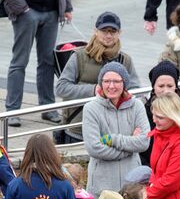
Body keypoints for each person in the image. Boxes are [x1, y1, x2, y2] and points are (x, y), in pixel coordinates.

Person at [56, 12, 141, 144]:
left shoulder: (125, 60)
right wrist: (94, 90)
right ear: (95, 31)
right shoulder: (79, 56)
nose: (108, 35)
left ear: (120, 33)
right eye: (104, 31)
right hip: (78, 130)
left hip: (114, 132)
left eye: (113, 31)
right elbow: (61, 88)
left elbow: (137, 92)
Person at [1, 0, 72, 127]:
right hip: (26, 11)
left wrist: (67, 7)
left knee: (48, 61)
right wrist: (23, 9)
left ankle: (47, 108)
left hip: (52, 11)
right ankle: (12, 111)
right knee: (19, 62)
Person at [81, 62, 150, 197]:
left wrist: (112, 139)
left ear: (124, 83)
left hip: (132, 186)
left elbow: (144, 142)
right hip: (102, 187)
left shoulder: (137, 106)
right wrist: (129, 149)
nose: (111, 86)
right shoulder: (90, 108)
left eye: (116, 81)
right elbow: (94, 148)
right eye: (106, 81)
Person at [141, 61, 180, 166]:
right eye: (161, 86)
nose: (166, 90)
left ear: (176, 87)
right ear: (153, 88)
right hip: (152, 165)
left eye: (170, 86)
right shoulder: (145, 109)